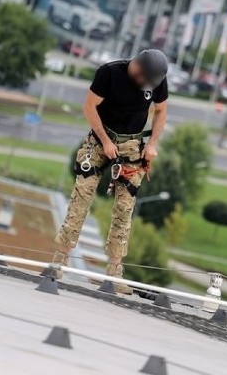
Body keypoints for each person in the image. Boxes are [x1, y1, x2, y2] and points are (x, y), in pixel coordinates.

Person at [52, 49, 169, 290]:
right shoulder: (110, 73)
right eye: (143, 80)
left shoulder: (157, 77)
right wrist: (105, 141)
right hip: (99, 140)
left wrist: (153, 144)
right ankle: (60, 259)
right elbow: (89, 107)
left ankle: (115, 272)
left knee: (125, 208)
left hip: (132, 145)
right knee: (81, 198)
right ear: (136, 67)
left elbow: (161, 110)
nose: (146, 85)